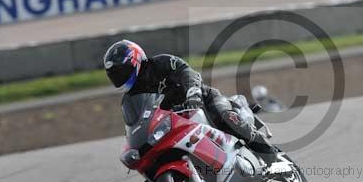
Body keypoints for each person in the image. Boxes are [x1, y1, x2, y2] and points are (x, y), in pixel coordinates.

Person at [103, 39, 279, 164]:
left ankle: (270, 154)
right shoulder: (131, 98)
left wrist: (193, 93)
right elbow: (135, 123)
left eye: (123, 71)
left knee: (224, 117)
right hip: (176, 122)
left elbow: (187, 73)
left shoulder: (160, 63)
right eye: (116, 75)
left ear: (136, 60)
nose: (121, 77)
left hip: (202, 99)